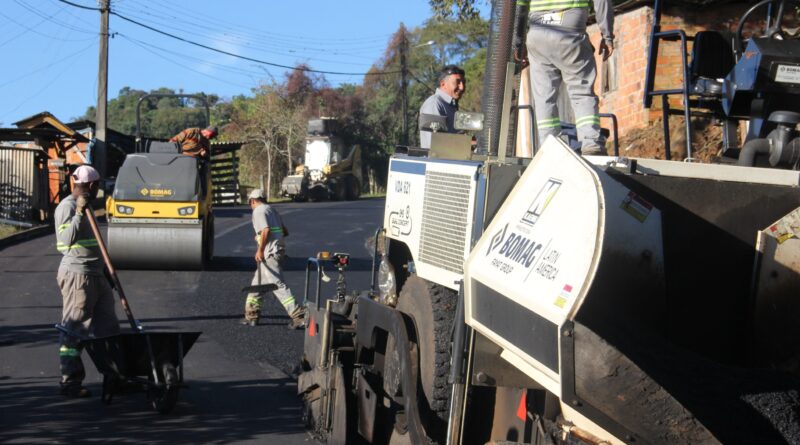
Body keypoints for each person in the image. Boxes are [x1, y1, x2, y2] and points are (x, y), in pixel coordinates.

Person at [515, 0, 614, 155]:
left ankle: (549, 147)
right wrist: (607, 35)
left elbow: (520, 5)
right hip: (570, 30)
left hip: (537, 33)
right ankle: (591, 143)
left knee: (544, 97)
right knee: (581, 92)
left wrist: (518, 42)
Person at [54, 165, 119, 397]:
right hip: (77, 275)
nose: (98, 188)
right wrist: (79, 214)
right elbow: (64, 243)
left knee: (109, 328)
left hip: (97, 274)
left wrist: (107, 272)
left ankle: (114, 377)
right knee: (75, 330)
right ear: (92, 185)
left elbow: (95, 246)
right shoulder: (67, 207)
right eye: (98, 185)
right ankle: (70, 382)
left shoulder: (89, 206)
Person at [241, 189, 305, 329]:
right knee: (256, 285)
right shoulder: (272, 210)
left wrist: (260, 249)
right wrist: (267, 239)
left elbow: (266, 230)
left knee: (278, 285)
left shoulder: (258, 211)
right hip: (277, 251)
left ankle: (298, 316)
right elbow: (284, 231)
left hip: (269, 254)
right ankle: (252, 316)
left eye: (250, 203)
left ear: (252, 201)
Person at [418, 65, 466, 149]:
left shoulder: (451, 105)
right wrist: (466, 143)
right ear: (443, 84)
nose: (462, 87)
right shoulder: (434, 104)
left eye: (463, 82)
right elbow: (434, 144)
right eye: (458, 82)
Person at [170, 125, 217, 197]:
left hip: (194, 165)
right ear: (208, 131)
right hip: (180, 160)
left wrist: (204, 154)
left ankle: (202, 196)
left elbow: (208, 157)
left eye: (212, 137)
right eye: (211, 135)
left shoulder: (206, 142)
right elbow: (173, 141)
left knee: (203, 174)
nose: (210, 138)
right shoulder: (191, 132)